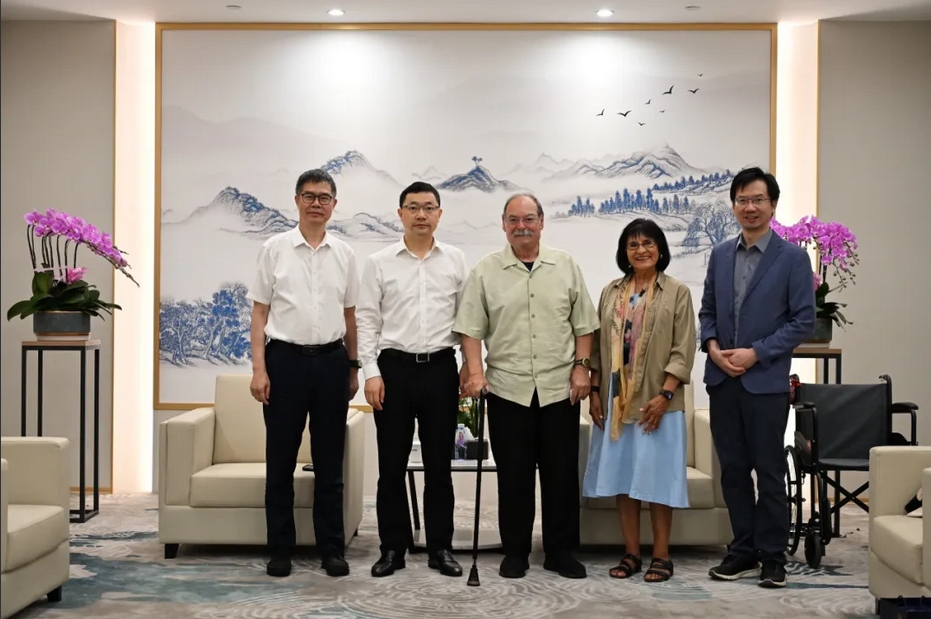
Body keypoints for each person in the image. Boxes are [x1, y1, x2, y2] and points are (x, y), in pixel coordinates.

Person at [454, 193, 599, 579]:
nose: (522, 226)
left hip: (559, 389)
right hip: (507, 389)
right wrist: (475, 373)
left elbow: (584, 325)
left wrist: (582, 368)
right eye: (514, 220)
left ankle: (559, 551)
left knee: (561, 474)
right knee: (514, 475)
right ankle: (516, 550)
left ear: (542, 222)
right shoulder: (486, 271)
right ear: (503, 224)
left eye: (529, 219)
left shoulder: (565, 266)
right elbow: (471, 330)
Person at [699, 167, 815, 588]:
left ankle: (773, 556)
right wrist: (713, 347)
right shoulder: (720, 255)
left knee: (768, 471)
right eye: (742, 200)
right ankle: (743, 550)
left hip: (765, 382)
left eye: (758, 200)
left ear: (773, 205)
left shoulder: (793, 259)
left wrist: (756, 353)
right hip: (722, 381)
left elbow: (803, 321)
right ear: (734, 206)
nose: (750, 207)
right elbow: (707, 311)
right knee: (732, 471)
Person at [247, 168, 361, 578]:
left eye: (324, 197)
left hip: (331, 362)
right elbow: (259, 313)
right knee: (280, 463)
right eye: (309, 196)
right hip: (285, 363)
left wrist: (352, 367)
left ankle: (332, 549)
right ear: (296, 201)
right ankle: (280, 549)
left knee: (330, 464)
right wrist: (259, 369)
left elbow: (351, 317)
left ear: (334, 204)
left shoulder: (345, 254)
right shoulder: (275, 248)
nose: (317, 203)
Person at [356, 181, 469, 578]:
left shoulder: (455, 260)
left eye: (429, 207)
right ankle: (392, 548)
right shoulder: (379, 262)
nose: (421, 214)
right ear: (400, 213)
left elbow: (468, 320)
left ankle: (441, 547)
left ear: (440, 213)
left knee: (440, 466)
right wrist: (371, 372)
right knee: (391, 466)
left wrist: (470, 366)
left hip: (441, 369)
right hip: (393, 371)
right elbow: (366, 321)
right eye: (413, 207)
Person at [582, 218, 696, 583]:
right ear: (624, 252)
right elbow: (597, 349)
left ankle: (661, 556)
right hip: (616, 402)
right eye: (633, 245)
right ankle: (631, 553)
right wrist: (595, 392)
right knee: (623, 478)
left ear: (660, 249)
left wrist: (665, 395)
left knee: (658, 480)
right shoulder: (611, 292)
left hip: (658, 403)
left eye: (648, 243)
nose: (641, 250)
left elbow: (683, 348)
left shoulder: (676, 292)